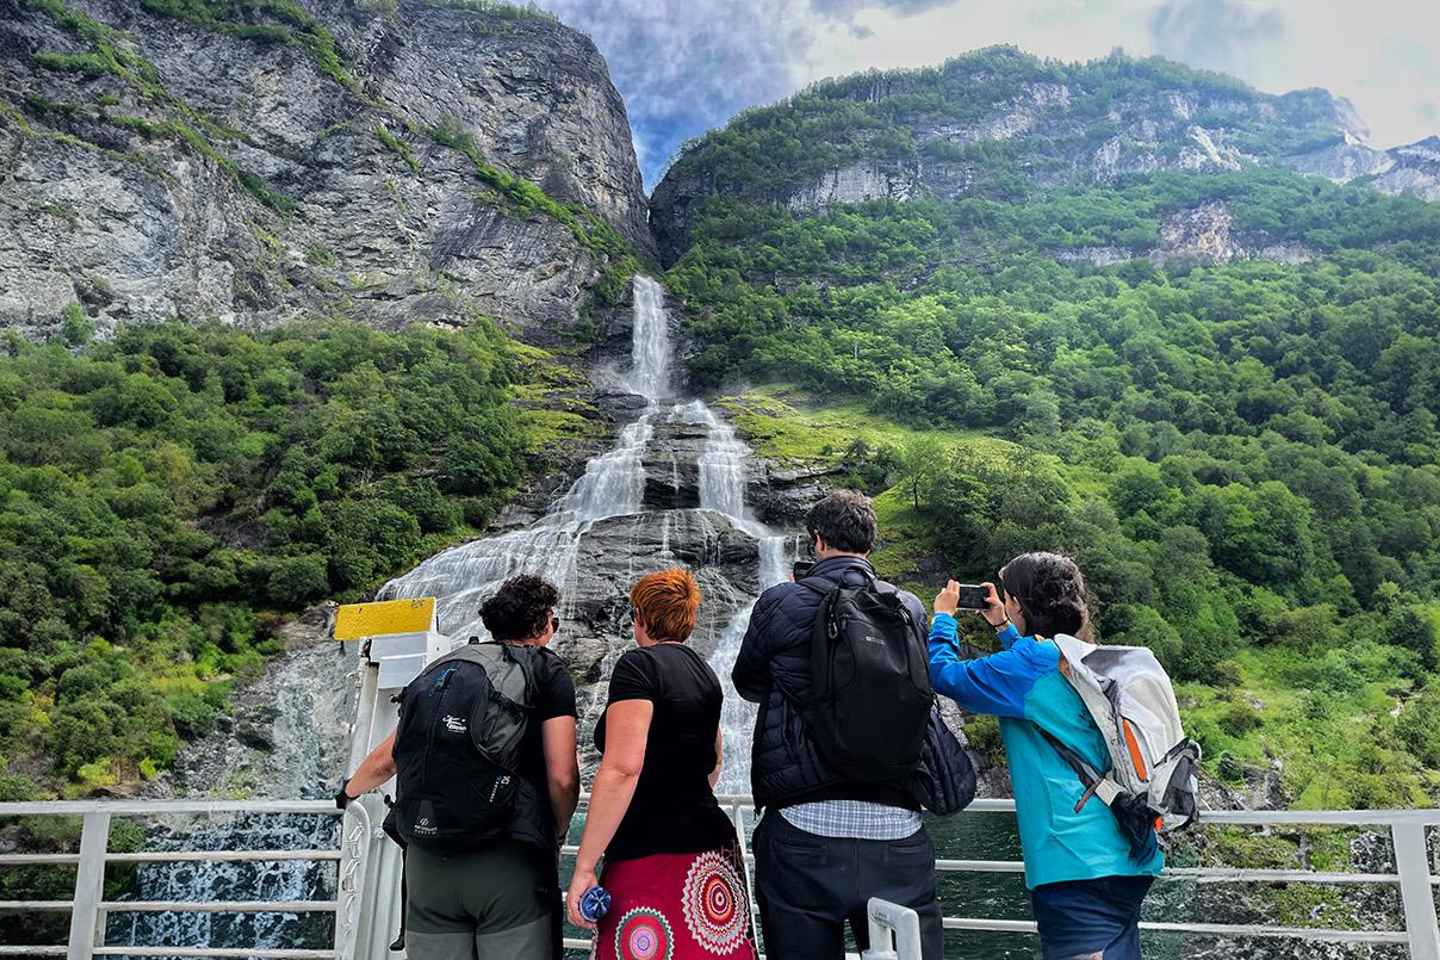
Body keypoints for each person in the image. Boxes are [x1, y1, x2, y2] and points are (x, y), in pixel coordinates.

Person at [731, 490, 943, 960]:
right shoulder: (907, 607)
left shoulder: (780, 600)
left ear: (817, 540)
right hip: (898, 829)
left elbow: (747, 681)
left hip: (803, 827)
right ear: (870, 544)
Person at [928, 552, 1164, 960]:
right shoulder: (1084, 655)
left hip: (1073, 860)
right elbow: (1038, 679)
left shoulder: (1027, 665)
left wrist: (944, 619)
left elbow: (943, 674)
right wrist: (1003, 625)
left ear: (1020, 602)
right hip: (1128, 852)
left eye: (1010, 599)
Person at [337, 574, 580, 960]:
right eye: (553, 621)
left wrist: (347, 792)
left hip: (427, 865)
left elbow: (389, 757)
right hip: (507, 863)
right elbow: (563, 775)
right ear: (540, 626)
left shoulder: (442, 670)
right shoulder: (544, 670)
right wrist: (557, 829)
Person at [566, 568, 757, 960]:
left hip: (649, 849)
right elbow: (713, 764)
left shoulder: (638, 666)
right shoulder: (705, 674)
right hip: (712, 854)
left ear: (639, 615)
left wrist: (584, 865)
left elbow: (623, 768)